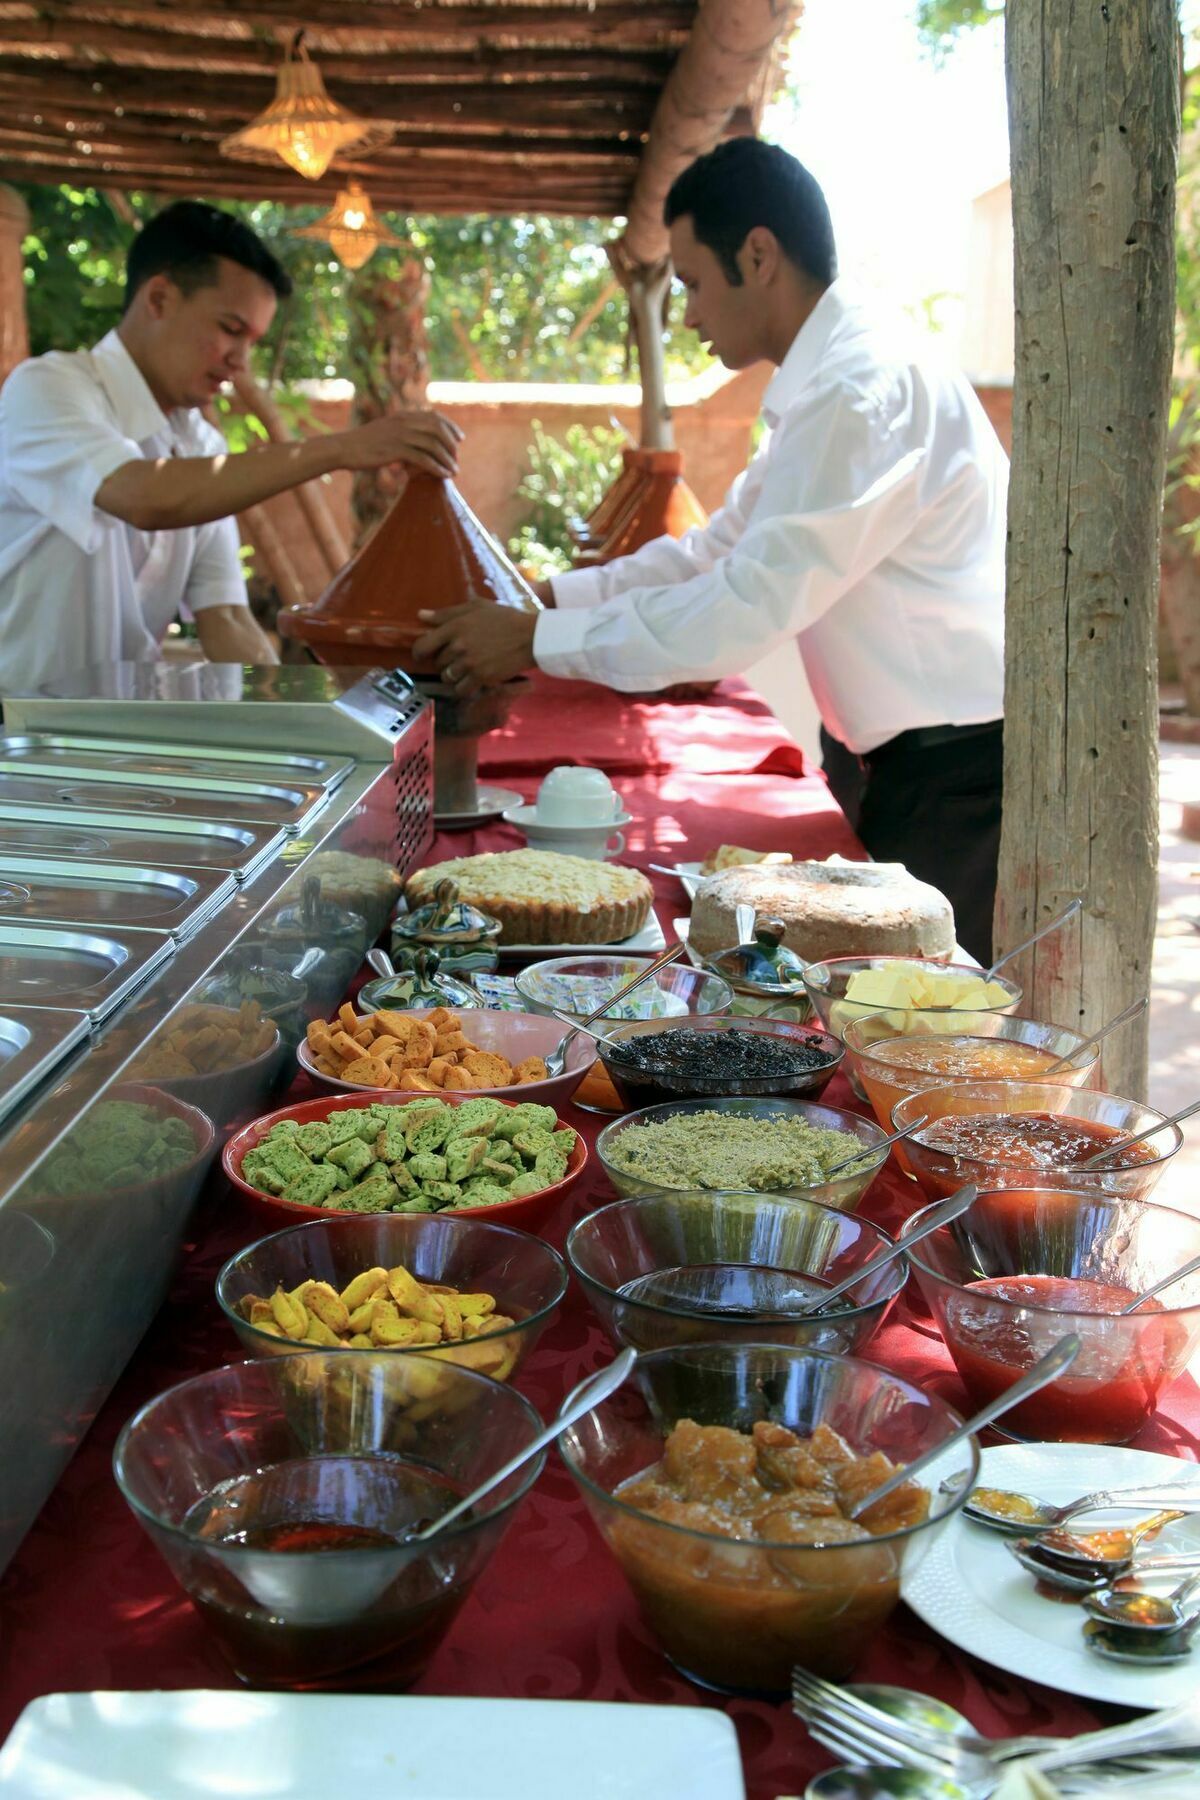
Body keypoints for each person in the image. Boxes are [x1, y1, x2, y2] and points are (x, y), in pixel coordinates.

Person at [412, 139, 1007, 962]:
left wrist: (535, 638)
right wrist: (542, 598)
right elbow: (712, 552)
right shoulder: (832, 377)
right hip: (908, 764)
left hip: (955, 778)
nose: (687, 313)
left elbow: (747, 603)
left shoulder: (857, 386)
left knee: (924, 1035)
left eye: (691, 281)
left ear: (757, 255)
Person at [0, 200, 461, 692]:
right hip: (17, 738)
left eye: (253, 341)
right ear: (159, 299)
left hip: (116, 744)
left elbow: (227, 619)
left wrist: (292, 715)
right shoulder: (46, 390)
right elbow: (143, 496)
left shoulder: (200, 444)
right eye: (230, 330)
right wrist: (339, 449)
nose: (239, 361)